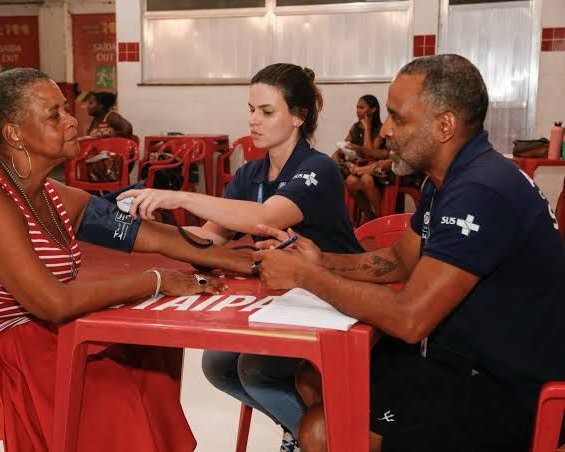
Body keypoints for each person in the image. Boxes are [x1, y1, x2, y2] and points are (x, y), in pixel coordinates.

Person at [0, 68, 256, 451]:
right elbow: (53, 303)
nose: (70, 121)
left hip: (8, 339)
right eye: (54, 114)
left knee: (145, 361)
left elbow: (146, 235)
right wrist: (156, 282)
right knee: (106, 388)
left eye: (66, 110)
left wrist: (238, 260)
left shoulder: (50, 194)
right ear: (14, 133)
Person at [254, 54, 565, 452]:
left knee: (322, 431)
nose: (384, 131)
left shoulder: (481, 191)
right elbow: (402, 260)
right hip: (457, 360)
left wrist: (305, 277)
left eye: (398, 118)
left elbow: (410, 318)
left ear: (444, 126)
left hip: (508, 390)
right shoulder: (449, 179)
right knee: (312, 378)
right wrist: (320, 260)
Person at [119, 63, 362, 452]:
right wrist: (140, 228)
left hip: (338, 297)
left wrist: (179, 196)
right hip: (291, 298)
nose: (253, 120)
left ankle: (324, 440)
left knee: (256, 370)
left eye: (267, 112)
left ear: (298, 116)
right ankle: (301, 429)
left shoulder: (318, 169)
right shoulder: (250, 174)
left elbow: (266, 218)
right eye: (250, 109)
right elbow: (208, 238)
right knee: (216, 365)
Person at [332, 95, 391, 221]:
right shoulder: (355, 127)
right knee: (350, 181)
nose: (358, 110)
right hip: (358, 168)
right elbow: (345, 145)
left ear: (373, 110)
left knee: (366, 179)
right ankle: (369, 214)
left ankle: (379, 218)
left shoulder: (380, 129)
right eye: (357, 107)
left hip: (377, 171)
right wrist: (338, 154)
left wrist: (367, 129)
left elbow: (370, 152)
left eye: (362, 107)